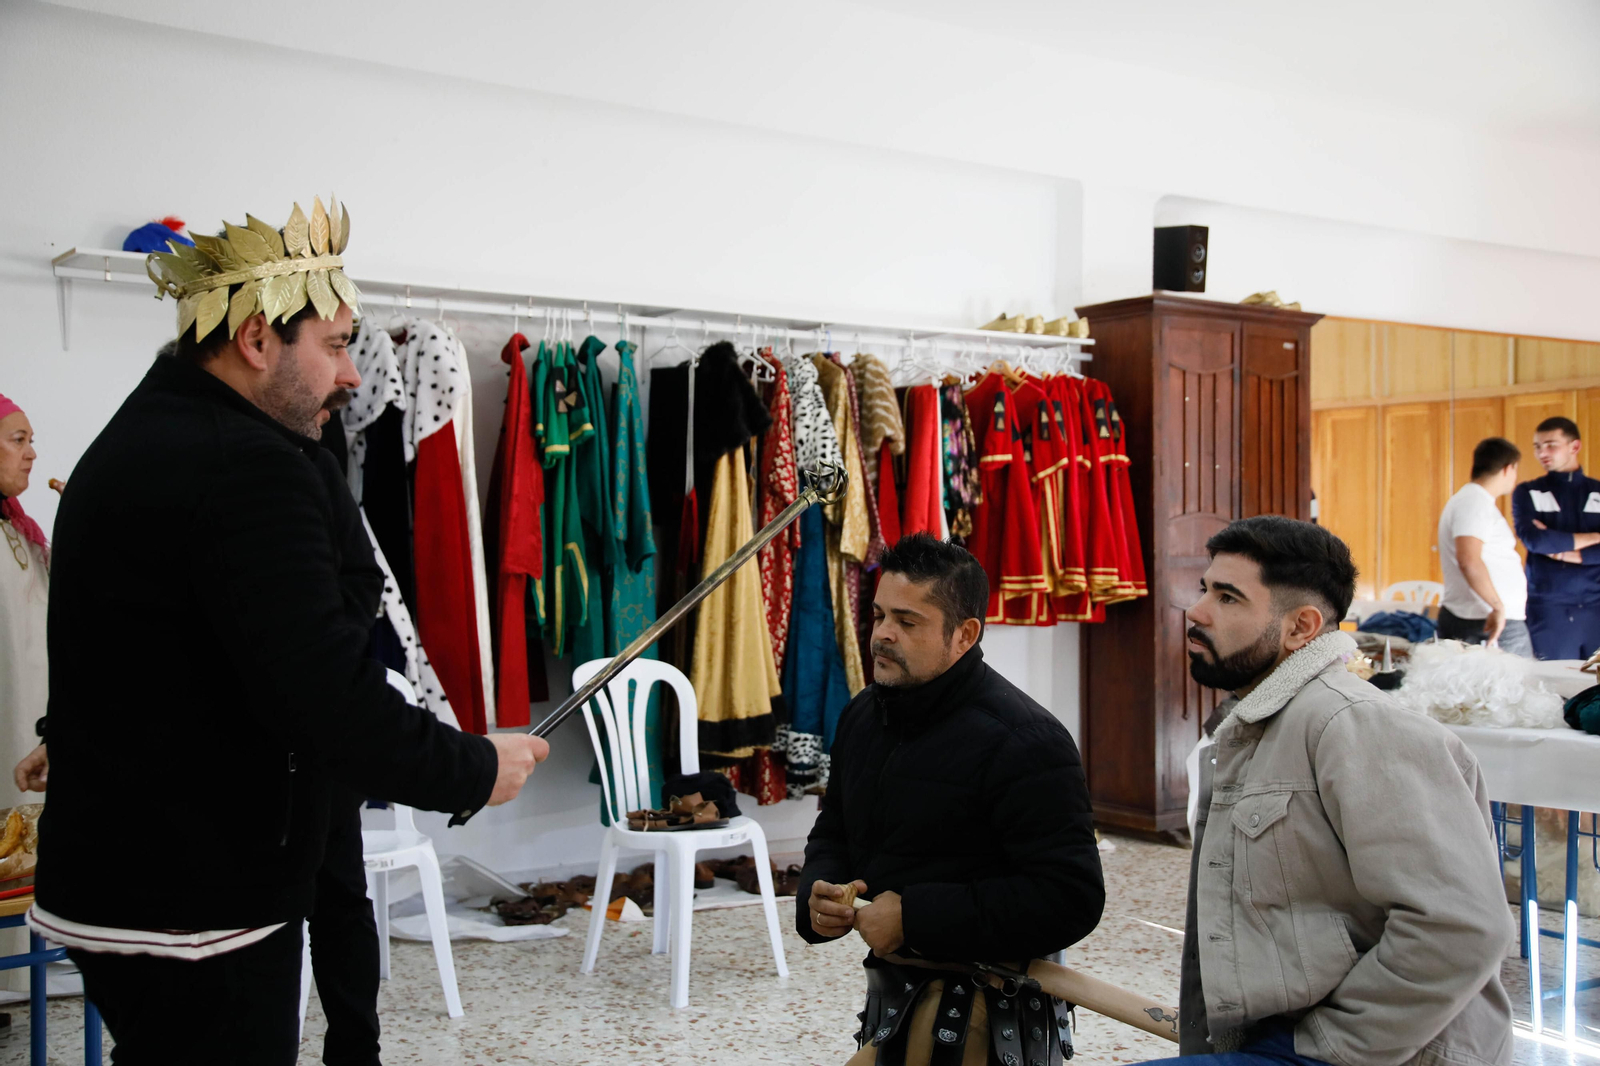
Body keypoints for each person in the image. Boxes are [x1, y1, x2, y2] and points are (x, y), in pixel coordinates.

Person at [26, 199, 550, 1066]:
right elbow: (326, 692)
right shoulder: (247, 468)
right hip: (194, 894)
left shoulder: (141, 434)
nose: (352, 376)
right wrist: (472, 765)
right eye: (337, 345)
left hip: (114, 878)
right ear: (258, 342)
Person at [1152, 516, 1511, 1066]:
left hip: (1372, 1048)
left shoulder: (1356, 725)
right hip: (1297, 1031)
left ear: (1301, 627)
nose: (1196, 612)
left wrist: (1325, 1048)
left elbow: (1460, 927)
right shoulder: (1259, 723)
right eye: (1205, 589)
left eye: (1227, 598)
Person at [797, 532, 1103, 1066]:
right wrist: (819, 895)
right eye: (879, 615)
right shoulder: (865, 714)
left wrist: (914, 916)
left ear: (964, 635)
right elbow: (836, 829)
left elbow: (1069, 897)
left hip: (987, 1002)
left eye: (907, 622)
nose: (882, 635)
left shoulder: (1026, 741)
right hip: (897, 993)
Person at [1511, 417, 1600, 660]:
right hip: (1549, 608)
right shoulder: (1528, 492)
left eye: (1551, 445)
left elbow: (1548, 543)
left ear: (1574, 447)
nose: (1542, 453)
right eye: (1537, 446)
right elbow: (1536, 541)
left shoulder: (1598, 491)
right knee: (1554, 688)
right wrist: (1594, 537)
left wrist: (1565, 552)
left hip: (1596, 606)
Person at [1435, 437, 1532, 656]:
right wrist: (1497, 606)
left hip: (1481, 616)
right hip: (1485, 619)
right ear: (1508, 468)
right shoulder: (1474, 502)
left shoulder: (1472, 500)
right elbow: (1468, 559)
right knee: (1517, 686)